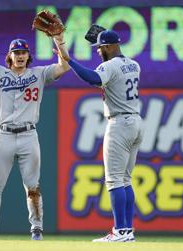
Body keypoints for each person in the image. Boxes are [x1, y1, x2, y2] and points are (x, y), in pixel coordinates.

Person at [0, 10, 69, 240]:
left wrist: (59, 42)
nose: (20, 56)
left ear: (28, 56)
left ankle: (37, 230)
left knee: (33, 186)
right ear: (9, 56)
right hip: (4, 135)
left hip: (29, 135)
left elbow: (64, 67)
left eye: (23, 52)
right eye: (16, 52)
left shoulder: (39, 74)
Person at [55, 29, 144, 242]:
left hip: (119, 123)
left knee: (114, 180)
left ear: (108, 47)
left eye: (99, 48)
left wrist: (69, 60)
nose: (98, 52)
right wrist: (104, 39)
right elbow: (109, 68)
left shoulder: (110, 65)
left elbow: (93, 78)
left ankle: (120, 231)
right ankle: (127, 231)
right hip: (136, 121)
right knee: (125, 179)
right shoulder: (134, 64)